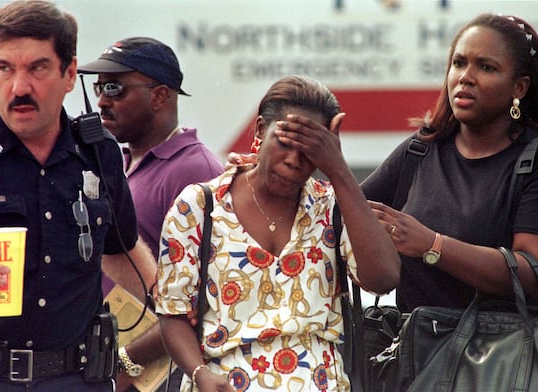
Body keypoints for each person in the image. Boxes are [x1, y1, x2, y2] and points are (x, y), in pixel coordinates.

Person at [0, 1, 157, 390]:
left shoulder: (99, 152)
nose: (19, 87)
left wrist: (175, 310)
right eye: (5, 69)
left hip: (78, 379)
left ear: (69, 74)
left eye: (37, 68)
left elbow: (120, 249)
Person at [156, 75, 401, 391]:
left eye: (310, 152)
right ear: (260, 130)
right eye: (285, 143)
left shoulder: (330, 207)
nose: (293, 162)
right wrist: (199, 372)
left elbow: (383, 278)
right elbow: (172, 312)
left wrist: (339, 170)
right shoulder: (200, 206)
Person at [358, 13, 538, 312]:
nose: (465, 77)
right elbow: (343, 215)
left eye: (486, 67)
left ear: (520, 88)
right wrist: (329, 166)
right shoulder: (420, 150)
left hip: (506, 355)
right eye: (459, 63)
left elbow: (532, 275)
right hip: (419, 353)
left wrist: (433, 245)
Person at [77, 37, 224, 391]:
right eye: (99, 87)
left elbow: (208, 297)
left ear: (159, 96)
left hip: (157, 376)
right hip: (106, 362)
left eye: (114, 87)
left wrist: (126, 362)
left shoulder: (195, 169)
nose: (101, 100)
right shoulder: (121, 163)